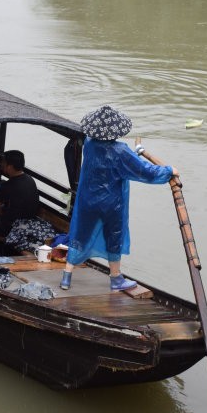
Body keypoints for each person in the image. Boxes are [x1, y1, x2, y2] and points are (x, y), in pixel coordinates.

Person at [60, 105, 178, 292]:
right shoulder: (120, 151)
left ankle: (66, 276)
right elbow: (145, 171)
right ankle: (115, 279)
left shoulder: (89, 145)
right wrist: (169, 171)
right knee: (114, 236)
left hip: (88, 201)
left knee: (80, 234)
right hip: (111, 203)